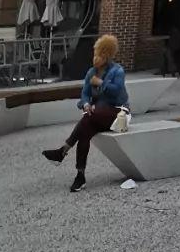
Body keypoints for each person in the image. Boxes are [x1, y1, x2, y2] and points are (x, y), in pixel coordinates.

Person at [42, 32, 129, 192]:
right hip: (96, 116)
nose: (96, 58)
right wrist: (86, 104)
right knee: (85, 130)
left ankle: (63, 151)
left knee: (89, 118)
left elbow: (116, 93)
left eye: (100, 55)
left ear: (108, 56)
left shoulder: (117, 71)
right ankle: (80, 175)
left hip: (118, 114)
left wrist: (101, 83)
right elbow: (84, 94)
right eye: (95, 53)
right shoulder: (91, 72)